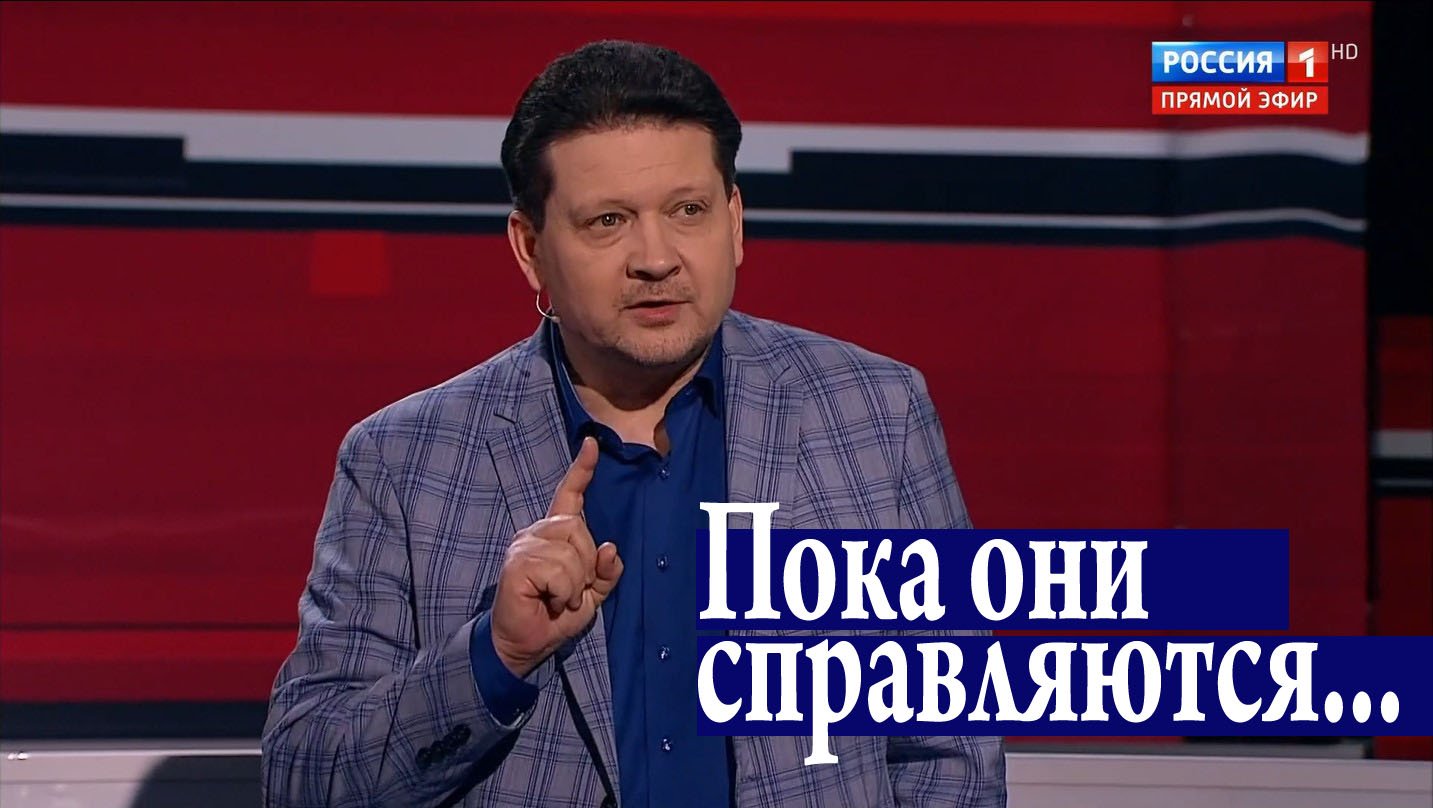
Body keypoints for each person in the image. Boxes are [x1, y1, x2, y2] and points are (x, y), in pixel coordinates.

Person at [261, 39, 1006, 808]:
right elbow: (304, 779)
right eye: (607, 221)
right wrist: (494, 655)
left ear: (734, 221)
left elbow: (949, 753)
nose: (655, 258)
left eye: (687, 211)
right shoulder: (401, 461)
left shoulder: (875, 414)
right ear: (530, 249)